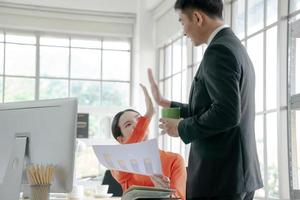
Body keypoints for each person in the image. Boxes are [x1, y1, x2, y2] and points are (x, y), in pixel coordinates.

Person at [147, 0, 263, 199]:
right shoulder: (234, 46)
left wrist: (181, 127)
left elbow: (226, 112)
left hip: (220, 178)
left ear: (198, 18)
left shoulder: (218, 51)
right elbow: (213, 107)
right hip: (236, 175)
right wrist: (166, 103)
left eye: (182, 22)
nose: (183, 31)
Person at [110, 84, 187, 200]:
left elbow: (180, 198)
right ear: (121, 139)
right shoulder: (119, 163)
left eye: (139, 120)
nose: (137, 125)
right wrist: (147, 116)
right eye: (129, 124)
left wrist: (165, 194)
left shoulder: (174, 160)